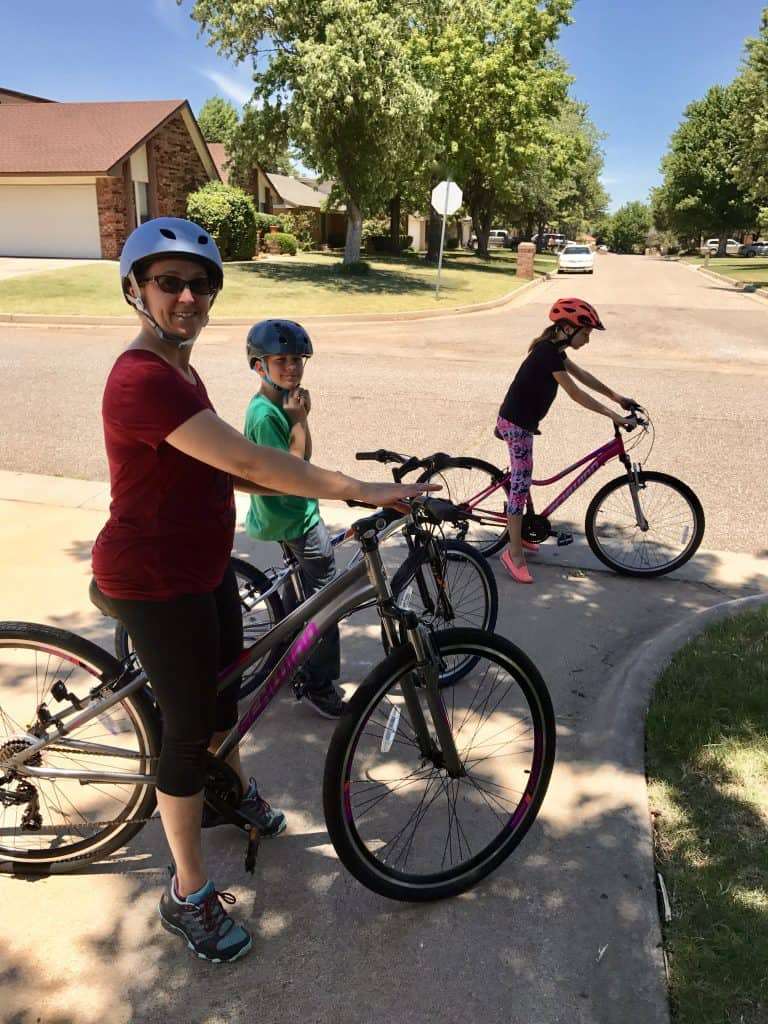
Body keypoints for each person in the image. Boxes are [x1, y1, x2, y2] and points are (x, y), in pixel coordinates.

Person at [90, 217, 433, 963]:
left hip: (201, 569)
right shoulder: (142, 376)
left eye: (202, 285)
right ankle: (186, 895)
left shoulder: (180, 369)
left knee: (223, 697)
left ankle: (226, 794)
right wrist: (359, 487)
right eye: (170, 282)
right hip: (152, 581)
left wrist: (313, 483)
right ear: (136, 290)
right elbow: (257, 460)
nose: (189, 296)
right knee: (184, 731)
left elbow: (232, 467)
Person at [496, 297, 638, 584]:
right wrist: (614, 415)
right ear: (566, 328)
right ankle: (513, 553)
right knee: (521, 486)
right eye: (585, 333)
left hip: (525, 421)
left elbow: (583, 376)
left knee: (523, 480)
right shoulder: (546, 353)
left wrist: (617, 398)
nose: (587, 339)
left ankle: (520, 532)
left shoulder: (555, 350)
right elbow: (576, 393)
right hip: (515, 424)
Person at [243, 319, 344, 718]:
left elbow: (303, 455)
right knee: (327, 602)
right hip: (294, 518)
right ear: (258, 365)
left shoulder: (281, 403)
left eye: (298, 360)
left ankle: (288, 655)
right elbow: (295, 469)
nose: (292, 368)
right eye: (280, 360)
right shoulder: (268, 414)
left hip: (287, 515)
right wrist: (300, 420)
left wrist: (299, 416)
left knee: (296, 593)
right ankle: (320, 685)